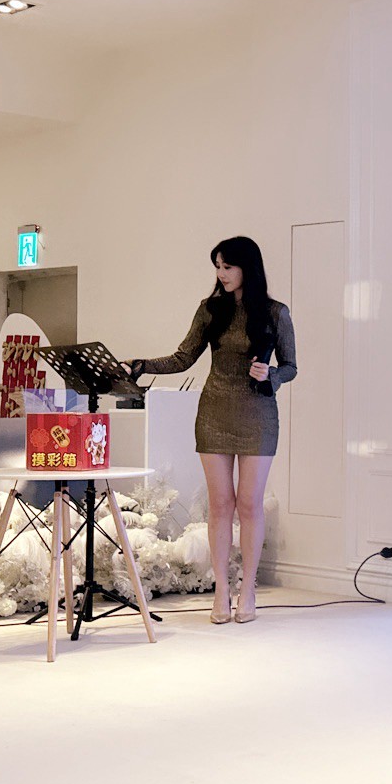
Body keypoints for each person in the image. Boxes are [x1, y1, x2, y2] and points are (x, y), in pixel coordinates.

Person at [126, 236, 298, 624]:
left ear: (247, 268)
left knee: (249, 504)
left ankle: (248, 588)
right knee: (220, 504)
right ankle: (222, 589)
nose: (221, 274)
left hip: (258, 415)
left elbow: (291, 366)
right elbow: (183, 357)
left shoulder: (275, 313)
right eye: (217, 267)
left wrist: (271, 375)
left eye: (227, 267)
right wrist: (141, 364)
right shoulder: (210, 309)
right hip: (214, 413)